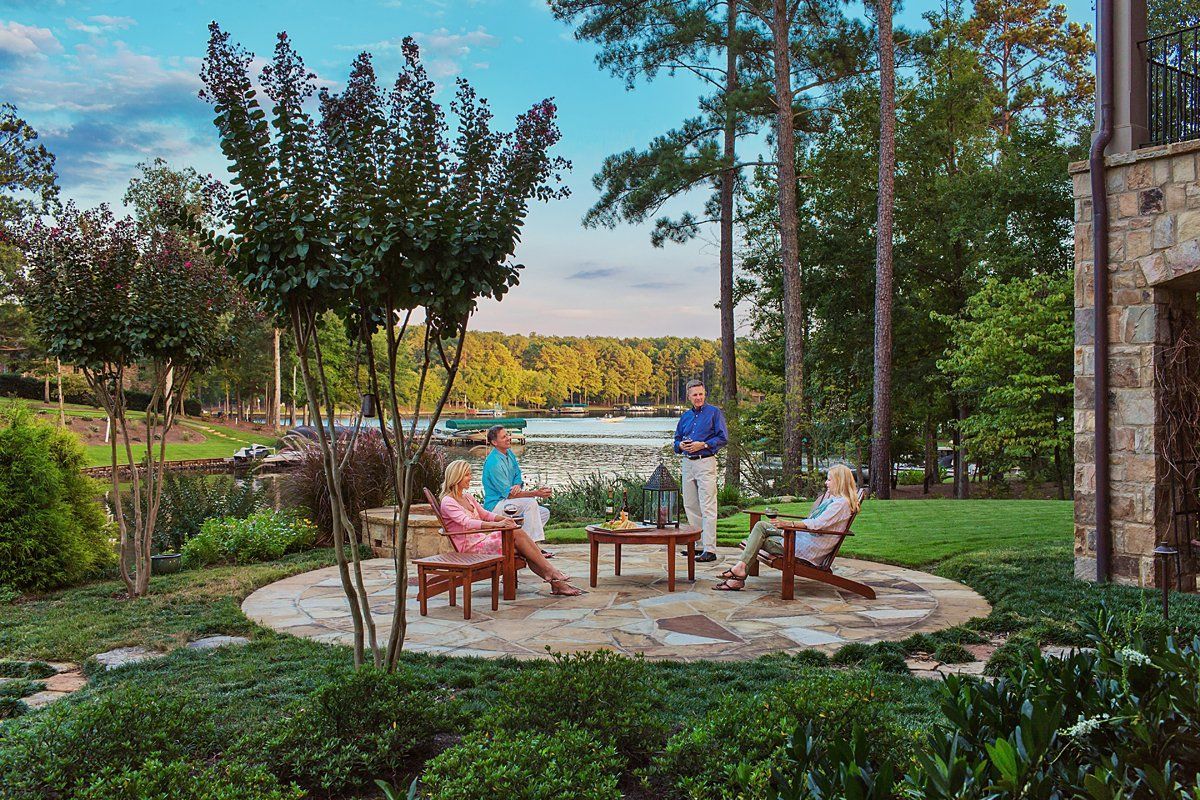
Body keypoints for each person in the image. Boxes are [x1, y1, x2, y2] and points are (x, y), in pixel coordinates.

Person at [438, 459, 582, 596]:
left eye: (470, 474)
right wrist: (498, 525)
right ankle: (554, 575)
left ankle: (555, 580)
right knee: (518, 536)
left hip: (483, 541)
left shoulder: (468, 497)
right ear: (456, 477)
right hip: (470, 549)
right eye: (467, 475)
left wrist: (505, 519)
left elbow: (485, 514)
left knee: (524, 547)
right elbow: (467, 522)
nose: (470, 477)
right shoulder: (448, 502)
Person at [713, 464, 861, 591]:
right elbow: (815, 522)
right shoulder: (835, 500)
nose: (826, 483)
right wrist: (786, 525)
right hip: (802, 538)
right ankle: (739, 572)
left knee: (760, 540)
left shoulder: (840, 504)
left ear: (839, 482)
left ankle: (739, 573)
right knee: (761, 527)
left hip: (804, 549)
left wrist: (788, 524)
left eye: (829, 479)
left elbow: (816, 525)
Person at [673, 379, 728, 563]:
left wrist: (702, 444)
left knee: (708, 506)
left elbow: (722, 438)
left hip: (705, 462)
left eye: (701, 394)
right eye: (695, 395)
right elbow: (676, 440)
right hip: (687, 463)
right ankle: (697, 546)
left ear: (705, 394)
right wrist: (680, 445)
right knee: (690, 505)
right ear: (689, 396)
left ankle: (710, 549)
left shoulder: (714, 413)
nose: (698, 398)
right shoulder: (685, 417)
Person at [481, 425, 554, 557]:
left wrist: (517, 485)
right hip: (496, 505)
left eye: (507, 435)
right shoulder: (493, 463)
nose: (508, 438)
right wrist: (536, 493)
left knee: (543, 513)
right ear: (494, 442)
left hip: (509, 501)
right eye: (504, 437)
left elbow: (517, 475)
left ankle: (525, 546)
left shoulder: (509, 453)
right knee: (531, 503)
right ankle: (532, 549)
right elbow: (508, 494)